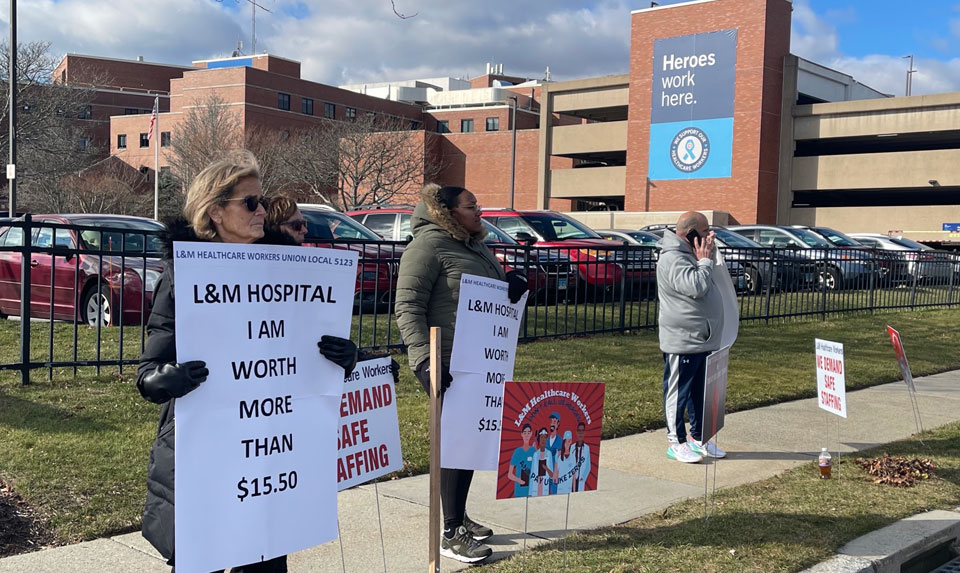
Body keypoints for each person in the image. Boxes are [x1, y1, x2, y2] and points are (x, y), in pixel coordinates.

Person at [137, 153, 358, 573]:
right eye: (250, 202)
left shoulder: (291, 271)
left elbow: (304, 354)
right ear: (215, 211)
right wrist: (167, 379)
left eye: (262, 200)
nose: (262, 211)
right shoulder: (184, 273)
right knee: (199, 561)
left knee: (265, 562)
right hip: (205, 450)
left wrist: (345, 358)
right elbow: (149, 370)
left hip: (271, 450)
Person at [395, 183, 528, 564]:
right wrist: (423, 360)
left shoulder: (474, 245)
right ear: (448, 211)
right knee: (455, 444)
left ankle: (458, 514)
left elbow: (484, 295)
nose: (479, 211)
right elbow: (407, 305)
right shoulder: (428, 246)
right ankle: (450, 533)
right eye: (471, 206)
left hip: (480, 361)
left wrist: (510, 287)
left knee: (471, 442)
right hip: (448, 362)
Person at [656, 211, 727, 464]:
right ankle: (676, 442)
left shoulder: (691, 254)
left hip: (702, 338)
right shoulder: (673, 258)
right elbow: (695, 287)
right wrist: (704, 261)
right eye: (706, 231)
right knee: (678, 392)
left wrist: (707, 257)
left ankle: (699, 438)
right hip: (683, 340)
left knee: (700, 393)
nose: (710, 236)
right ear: (691, 234)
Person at [507, 423, 536, 498]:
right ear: (522, 434)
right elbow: (510, 474)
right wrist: (518, 480)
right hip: (519, 491)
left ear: (531, 434)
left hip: (531, 490)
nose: (526, 435)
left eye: (528, 433)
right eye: (525, 433)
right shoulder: (517, 452)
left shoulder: (533, 451)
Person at [530, 428, 555, 497]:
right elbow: (532, 474)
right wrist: (530, 492)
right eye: (541, 437)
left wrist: (546, 468)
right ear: (539, 439)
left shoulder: (549, 454)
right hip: (535, 489)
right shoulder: (535, 454)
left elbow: (552, 475)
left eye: (545, 438)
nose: (543, 440)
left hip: (545, 488)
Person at [544, 411, 562, 494]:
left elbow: (559, 457)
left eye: (554, 421)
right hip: (545, 472)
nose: (552, 423)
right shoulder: (546, 440)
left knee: (554, 493)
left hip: (554, 473)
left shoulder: (559, 440)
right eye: (551, 421)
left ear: (558, 424)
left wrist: (555, 472)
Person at [571, 422, 591, 492]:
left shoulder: (586, 448)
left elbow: (588, 466)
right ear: (576, 432)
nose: (580, 433)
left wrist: (583, 478)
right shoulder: (572, 447)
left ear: (584, 432)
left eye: (582, 431)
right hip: (572, 479)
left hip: (580, 478)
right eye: (579, 430)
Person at [554, 430, 575, 495]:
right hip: (560, 488)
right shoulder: (559, 457)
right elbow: (555, 477)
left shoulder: (573, 457)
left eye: (569, 441)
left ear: (571, 442)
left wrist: (574, 490)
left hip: (569, 488)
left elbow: (574, 476)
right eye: (566, 441)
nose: (567, 444)